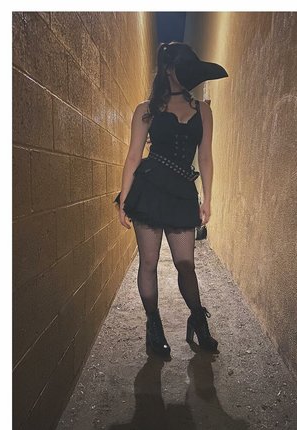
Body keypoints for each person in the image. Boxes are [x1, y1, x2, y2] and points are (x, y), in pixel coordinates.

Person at [113, 41, 228, 356]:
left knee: (185, 264)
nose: (188, 73)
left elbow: (205, 157)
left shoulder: (202, 109)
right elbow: (133, 156)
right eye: (183, 66)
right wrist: (124, 199)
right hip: (149, 190)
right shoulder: (146, 109)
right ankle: (154, 327)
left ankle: (198, 321)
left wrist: (207, 198)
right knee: (149, 262)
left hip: (181, 194)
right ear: (167, 69)